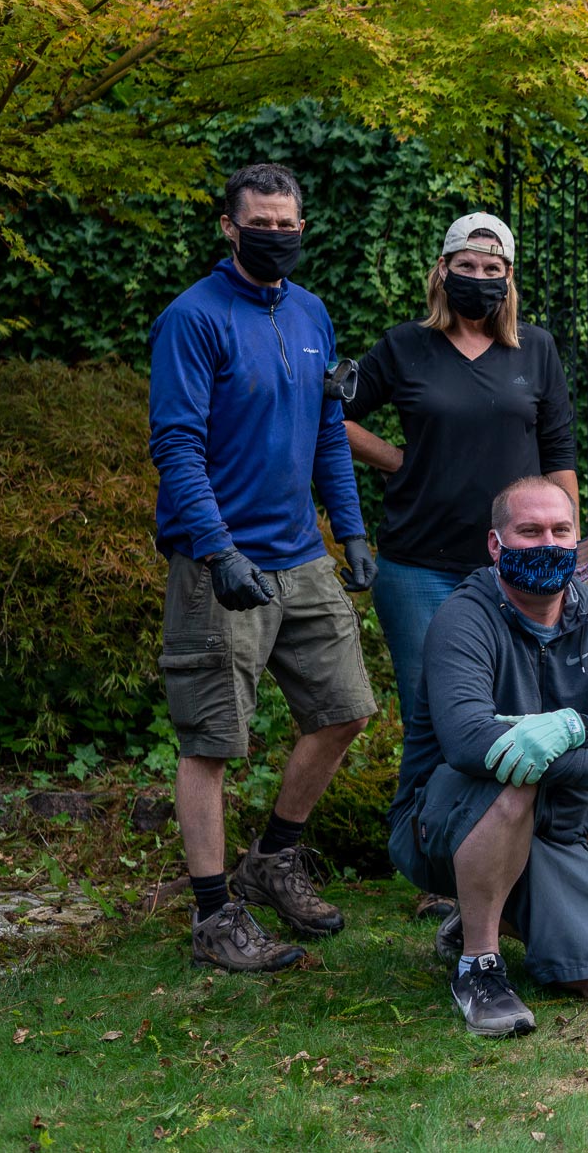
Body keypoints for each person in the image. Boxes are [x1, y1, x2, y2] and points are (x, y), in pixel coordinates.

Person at [148, 162, 378, 972]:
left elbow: (325, 430)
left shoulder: (311, 312)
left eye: (289, 224)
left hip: (302, 553)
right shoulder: (193, 318)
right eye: (261, 222)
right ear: (229, 227)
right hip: (220, 560)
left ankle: (273, 860)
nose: (276, 235)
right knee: (212, 739)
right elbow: (176, 445)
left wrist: (348, 531)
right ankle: (215, 915)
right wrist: (216, 551)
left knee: (346, 708)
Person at [389, 476, 588, 1037]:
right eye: (528, 532)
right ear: (495, 543)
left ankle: (478, 912)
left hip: (555, 833)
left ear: (579, 539)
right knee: (517, 775)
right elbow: (466, 742)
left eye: (561, 530)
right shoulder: (462, 618)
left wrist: (570, 726)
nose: (546, 544)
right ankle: (478, 966)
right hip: (440, 822)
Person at [342, 213, 577, 709]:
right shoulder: (405, 345)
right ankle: (426, 793)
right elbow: (330, 419)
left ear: (509, 277)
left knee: (517, 708)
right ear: (442, 271)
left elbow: (558, 452)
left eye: (493, 269)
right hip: (418, 565)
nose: (479, 278)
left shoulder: (536, 349)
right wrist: (393, 458)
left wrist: (568, 547)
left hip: (517, 563)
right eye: (466, 265)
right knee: (431, 710)